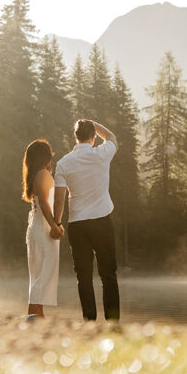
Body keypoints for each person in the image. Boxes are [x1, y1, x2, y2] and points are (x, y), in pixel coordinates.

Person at [53, 119, 119, 321]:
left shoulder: (63, 163)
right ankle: (113, 322)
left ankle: (89, 321)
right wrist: (94, 123)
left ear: (75, 136)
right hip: (101, 221)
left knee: (83, 276)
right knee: (108, 274)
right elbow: (112, 138)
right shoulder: (101, 154)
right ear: (93, 136)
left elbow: (59, 199)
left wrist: (56, 223)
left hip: (78, 224)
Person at [22, 138, 65, 318]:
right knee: (44, 275)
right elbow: (45, 205)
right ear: (44, 157)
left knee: (39, 274)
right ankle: (32, 316)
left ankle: (38, 316)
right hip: (43, 230)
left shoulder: (35, 175)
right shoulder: (43, 174)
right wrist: (55, 226)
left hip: (36, 228)